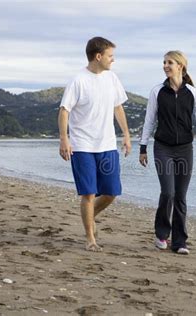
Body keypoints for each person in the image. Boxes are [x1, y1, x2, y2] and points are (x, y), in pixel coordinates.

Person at [58, 36, 131, 252]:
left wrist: (126, 134)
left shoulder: (112, 78)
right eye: (110, 56)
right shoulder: (78, 80)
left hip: (107, 145)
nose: (113, 60)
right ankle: (90, 238)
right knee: (88, 193)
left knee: (111, 192)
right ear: (98, 56)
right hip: (82, 146)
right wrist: (64, 139)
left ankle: (90, 217)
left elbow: (118, 107)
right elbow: (64, 111)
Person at [139, 50, 196, 255]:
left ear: (180, 66)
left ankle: (180, 242)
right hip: (162, 147)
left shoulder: (193, 93)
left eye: (169, 62)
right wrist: (143, 147)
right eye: (164, 62)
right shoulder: (157, 92)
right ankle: (161, 233)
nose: (165, 66)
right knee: (168, 192)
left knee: (181, 196)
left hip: (184, 149)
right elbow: (150, 120)